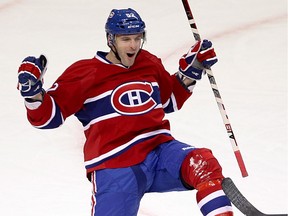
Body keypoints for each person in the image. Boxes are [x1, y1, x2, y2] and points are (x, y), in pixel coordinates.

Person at [17, 8, 234, 216]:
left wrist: (192, 70)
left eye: (138, 38)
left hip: (159, 152)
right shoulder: (85, 72)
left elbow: (169, 101)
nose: (133, 45)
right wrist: (33, 94)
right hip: (115, 166)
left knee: (202, 163)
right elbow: (48, 118)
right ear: (110, 39)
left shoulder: (148, 62)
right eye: (126, 39)